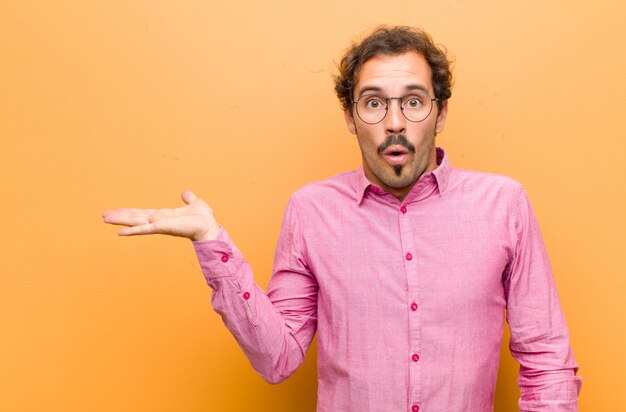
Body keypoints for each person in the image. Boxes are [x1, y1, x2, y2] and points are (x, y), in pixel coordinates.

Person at [102, 26, 582, 411]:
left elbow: (547, 363)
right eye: (374, 102)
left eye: (413, 101)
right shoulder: (311, 211)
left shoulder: (504, 205)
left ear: (441, 113)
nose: (394, 121)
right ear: (352, 117)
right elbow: (277, 358)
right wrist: (211, 241)